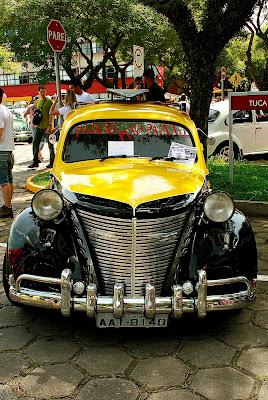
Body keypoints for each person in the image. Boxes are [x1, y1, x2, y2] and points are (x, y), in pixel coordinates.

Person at [28, 86, 53, 169]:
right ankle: (35, 161)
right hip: (38, 126)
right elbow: (36, 111)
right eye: (41, 91)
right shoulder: (37, 101)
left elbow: (51, 114)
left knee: (50, 144)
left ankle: (52, 161)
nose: (43, 93)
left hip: (47, 126)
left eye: (44, 91)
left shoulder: (49, 101)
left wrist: (50, 125)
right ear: (38, 92)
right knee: (35, 143)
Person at [0, 87, 14, 218]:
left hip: (1, 150)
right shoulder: (6, 110)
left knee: (3, 181)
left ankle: (7, 207)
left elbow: (0, 133)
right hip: (8, 149)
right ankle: (8, 205)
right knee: (9, 179)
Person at [24, 97, 44, 162]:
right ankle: (38, 155)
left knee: (42, 141)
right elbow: (25, 114)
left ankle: (39, 153)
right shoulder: (31, 107)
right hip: (33, 126)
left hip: (42, 126)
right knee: (36, 141)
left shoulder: (41, 106)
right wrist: (28, 118)